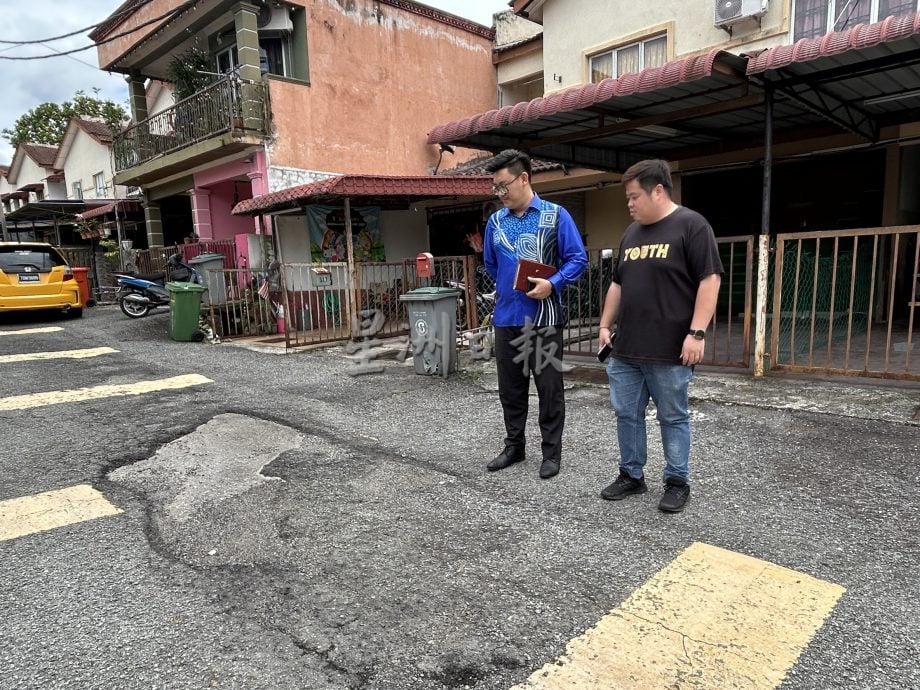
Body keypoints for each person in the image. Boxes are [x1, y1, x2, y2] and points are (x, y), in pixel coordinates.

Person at [598, 159, 722, 512]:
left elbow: (710, 279)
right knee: (627, 414)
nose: (630, 204)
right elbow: (618, 283)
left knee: (673, 416)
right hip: (627, 349)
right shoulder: (630, 234)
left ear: (658, 190)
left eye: (635, 196)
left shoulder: (692, 226)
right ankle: (631, 476)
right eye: (627, 198)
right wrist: (606, 325)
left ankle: (677, 481)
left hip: (670, 350)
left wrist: (696, 333)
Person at [483, 149, 588, 479]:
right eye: (495, 188)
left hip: (543, 319)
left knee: (549, 389)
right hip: (506, 319)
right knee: (510, 389)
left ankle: (551, 453)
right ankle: (514, 446)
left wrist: (552, 283)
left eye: (503, 186)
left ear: (524, 178)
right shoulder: (495, 221)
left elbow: (578, 259)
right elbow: (490, 263)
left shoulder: (557, 216)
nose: (499, 194)